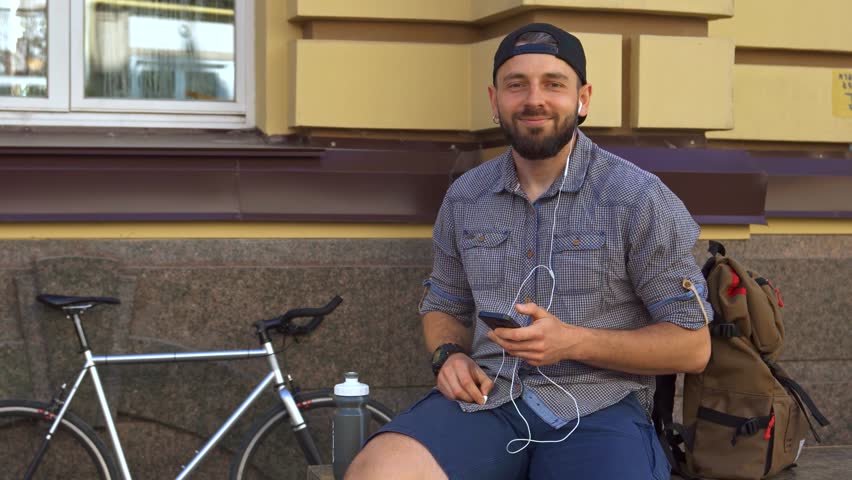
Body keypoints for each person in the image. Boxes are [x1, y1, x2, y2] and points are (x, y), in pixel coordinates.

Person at [346, 22, 711, 480]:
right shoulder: (465, 197)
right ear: (494, 101)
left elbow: (692, 346)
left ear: (583, 98)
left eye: (553, 84)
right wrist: (448, 356)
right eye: (516, 84)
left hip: (598, 407)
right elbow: (443, 304)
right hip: (487, 400)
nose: (533, 99)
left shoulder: (637, 198)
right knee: (377, 472)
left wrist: (573, 342)